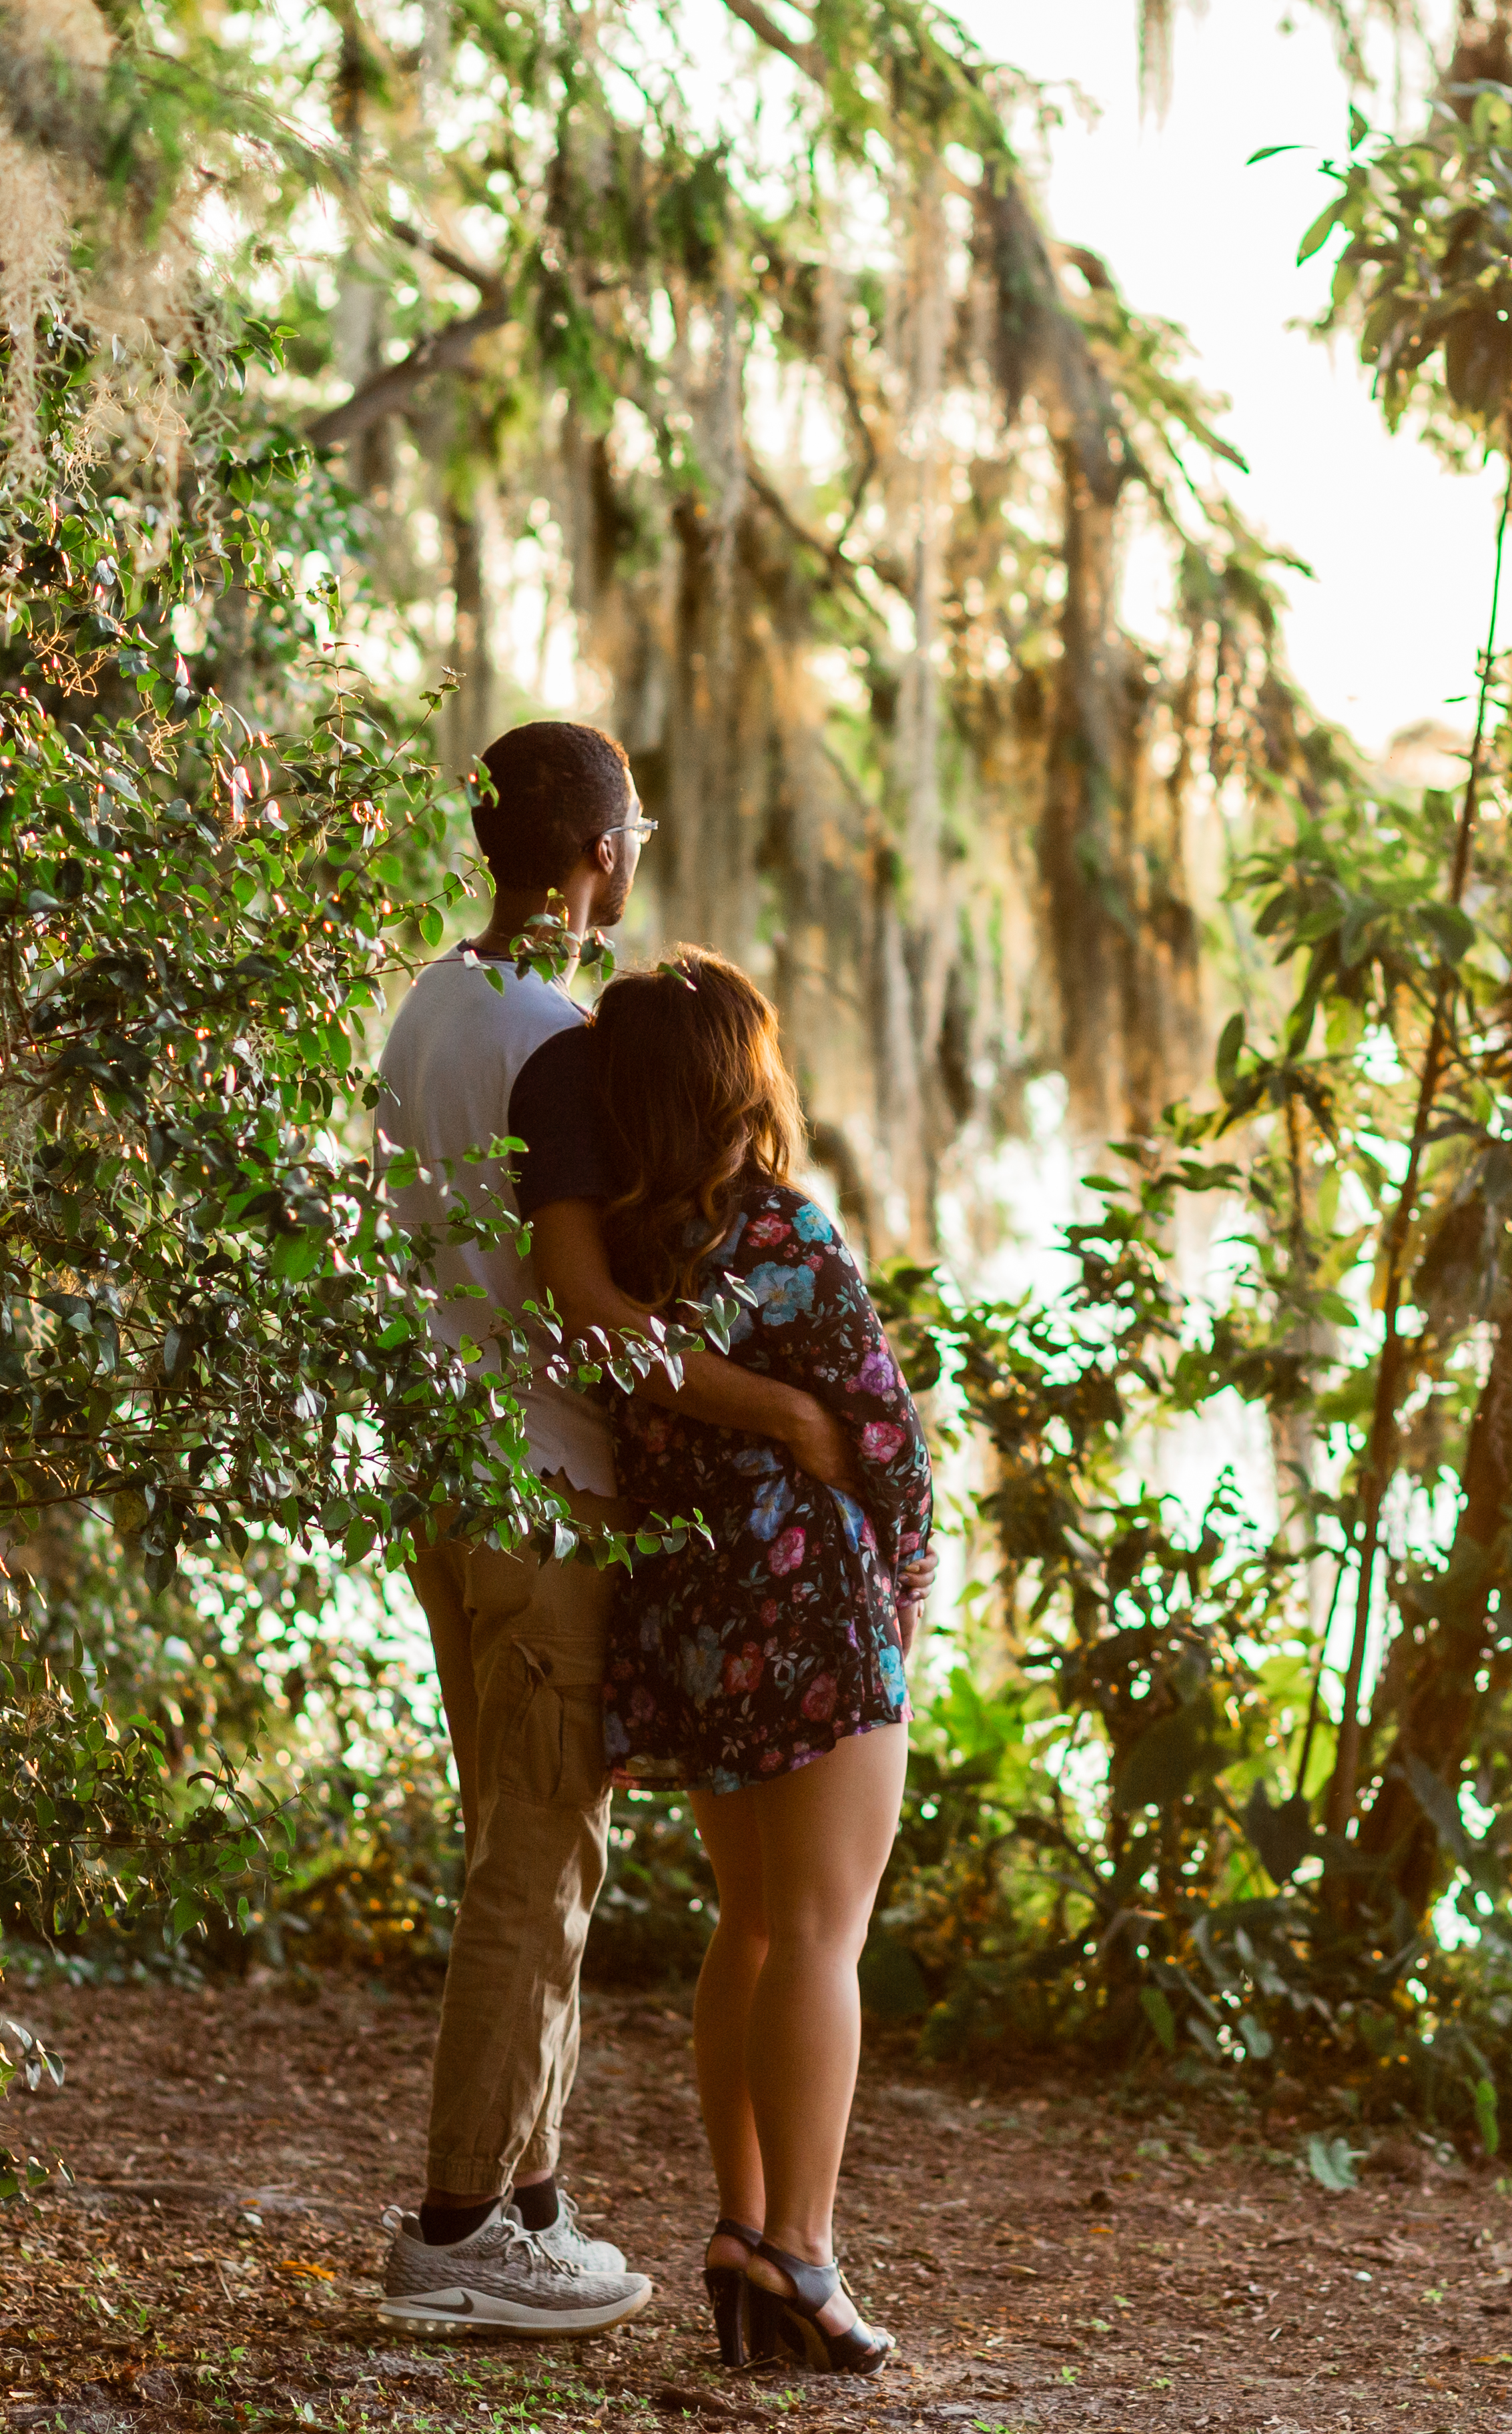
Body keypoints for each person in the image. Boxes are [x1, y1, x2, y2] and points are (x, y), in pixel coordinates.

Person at [370, 721, 863, 2336]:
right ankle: (458, 2229)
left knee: (533, 1833)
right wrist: (780, 1413)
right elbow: (589, 1311)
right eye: (634, 829)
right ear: (599, 857)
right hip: (537, 1491)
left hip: (443, 1475)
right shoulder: (562, 1046)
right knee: (538, 1855)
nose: (638, 855)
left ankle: (525, 2200)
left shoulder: (432, 1008)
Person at [540, 949, 928, 2377]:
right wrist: (910, 1609)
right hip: (813, 1609)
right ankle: (805, 2260)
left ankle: (744, 2230)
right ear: (736, 1081)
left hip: (691, 1621)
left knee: (751, 1928)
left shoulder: (616, 1257)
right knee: (822, 1934)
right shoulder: (784, 1241)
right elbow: (884, 1443)